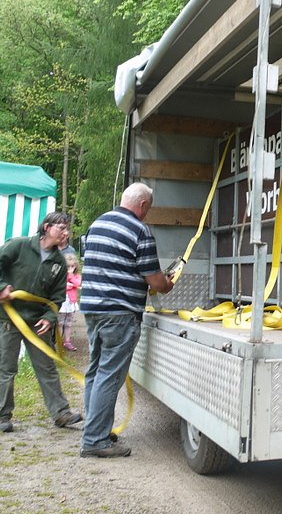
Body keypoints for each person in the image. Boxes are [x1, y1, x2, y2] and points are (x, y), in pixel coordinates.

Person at [79, 182, 174, 458]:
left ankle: (94, 429)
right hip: (120, 314)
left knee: (96, 371)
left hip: (93, 310)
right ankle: (95, 440)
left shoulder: (98, 223)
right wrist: (167, 283)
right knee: (109, 375)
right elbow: (154, 281)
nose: (147, 213)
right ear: (143, 205)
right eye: (148, 209)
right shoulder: (139, 230)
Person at [0, 212, 83, 433]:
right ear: (46, 227)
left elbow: (57, 297)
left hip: (37, 323)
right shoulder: (19, 246)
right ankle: (2, 416)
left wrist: (49, 317)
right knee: (6, 368)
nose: (66, 233)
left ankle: (61, 413)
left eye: (67, 230)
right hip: (7, 319)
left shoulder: (59, 262)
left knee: (47, 367)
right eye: (61, 228)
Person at [60, 253, 82, 351]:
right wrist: (69, 286)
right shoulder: (61, 276)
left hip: (71, 302)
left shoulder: (76, 276)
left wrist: (71, 275)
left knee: (68, 323)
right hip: (62, 302)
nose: (70, 268)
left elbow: (77, 283)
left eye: (72, 266)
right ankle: (59, 340)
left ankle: (67, 341)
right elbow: (60, 286)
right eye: (68, 266)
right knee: (60, 322)